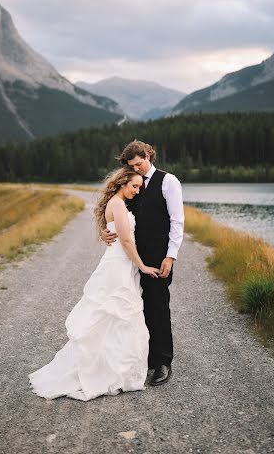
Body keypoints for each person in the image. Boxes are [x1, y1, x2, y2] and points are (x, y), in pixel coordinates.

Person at [28, 167, 160, 401]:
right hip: (119, 265)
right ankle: (111, 372)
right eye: (134, 186)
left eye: (140, 187)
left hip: (120, 264)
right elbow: (127, 241)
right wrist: (143, 266)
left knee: (117, 318)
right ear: (122, 183)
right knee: (114, 315)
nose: (137, 191)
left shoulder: (117, 203)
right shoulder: (118, 205)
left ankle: (115, 370)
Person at [102, 140, 184, 386]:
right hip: (131, 257)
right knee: (134, 305)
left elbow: (177, 222)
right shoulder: (130, 182)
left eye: (139, 163)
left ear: (148, 155)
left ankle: (162, 361)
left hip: (159, 257)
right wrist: (105, 231)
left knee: (158, 305)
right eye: (132, 166)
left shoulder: (168, 181)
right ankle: (143, 356)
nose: (136, 169)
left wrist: (170, 256)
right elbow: (112, 209)